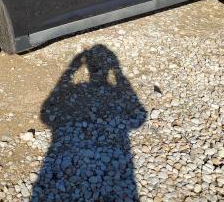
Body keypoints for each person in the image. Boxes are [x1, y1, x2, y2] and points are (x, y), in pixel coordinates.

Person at [32, 45, 147, 201]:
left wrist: (70, 72)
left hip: (60, 153)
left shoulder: (74, 94)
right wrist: (119, 74)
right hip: (122, 167)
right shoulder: (112, 93)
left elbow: (46, 116)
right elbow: (138, 118)